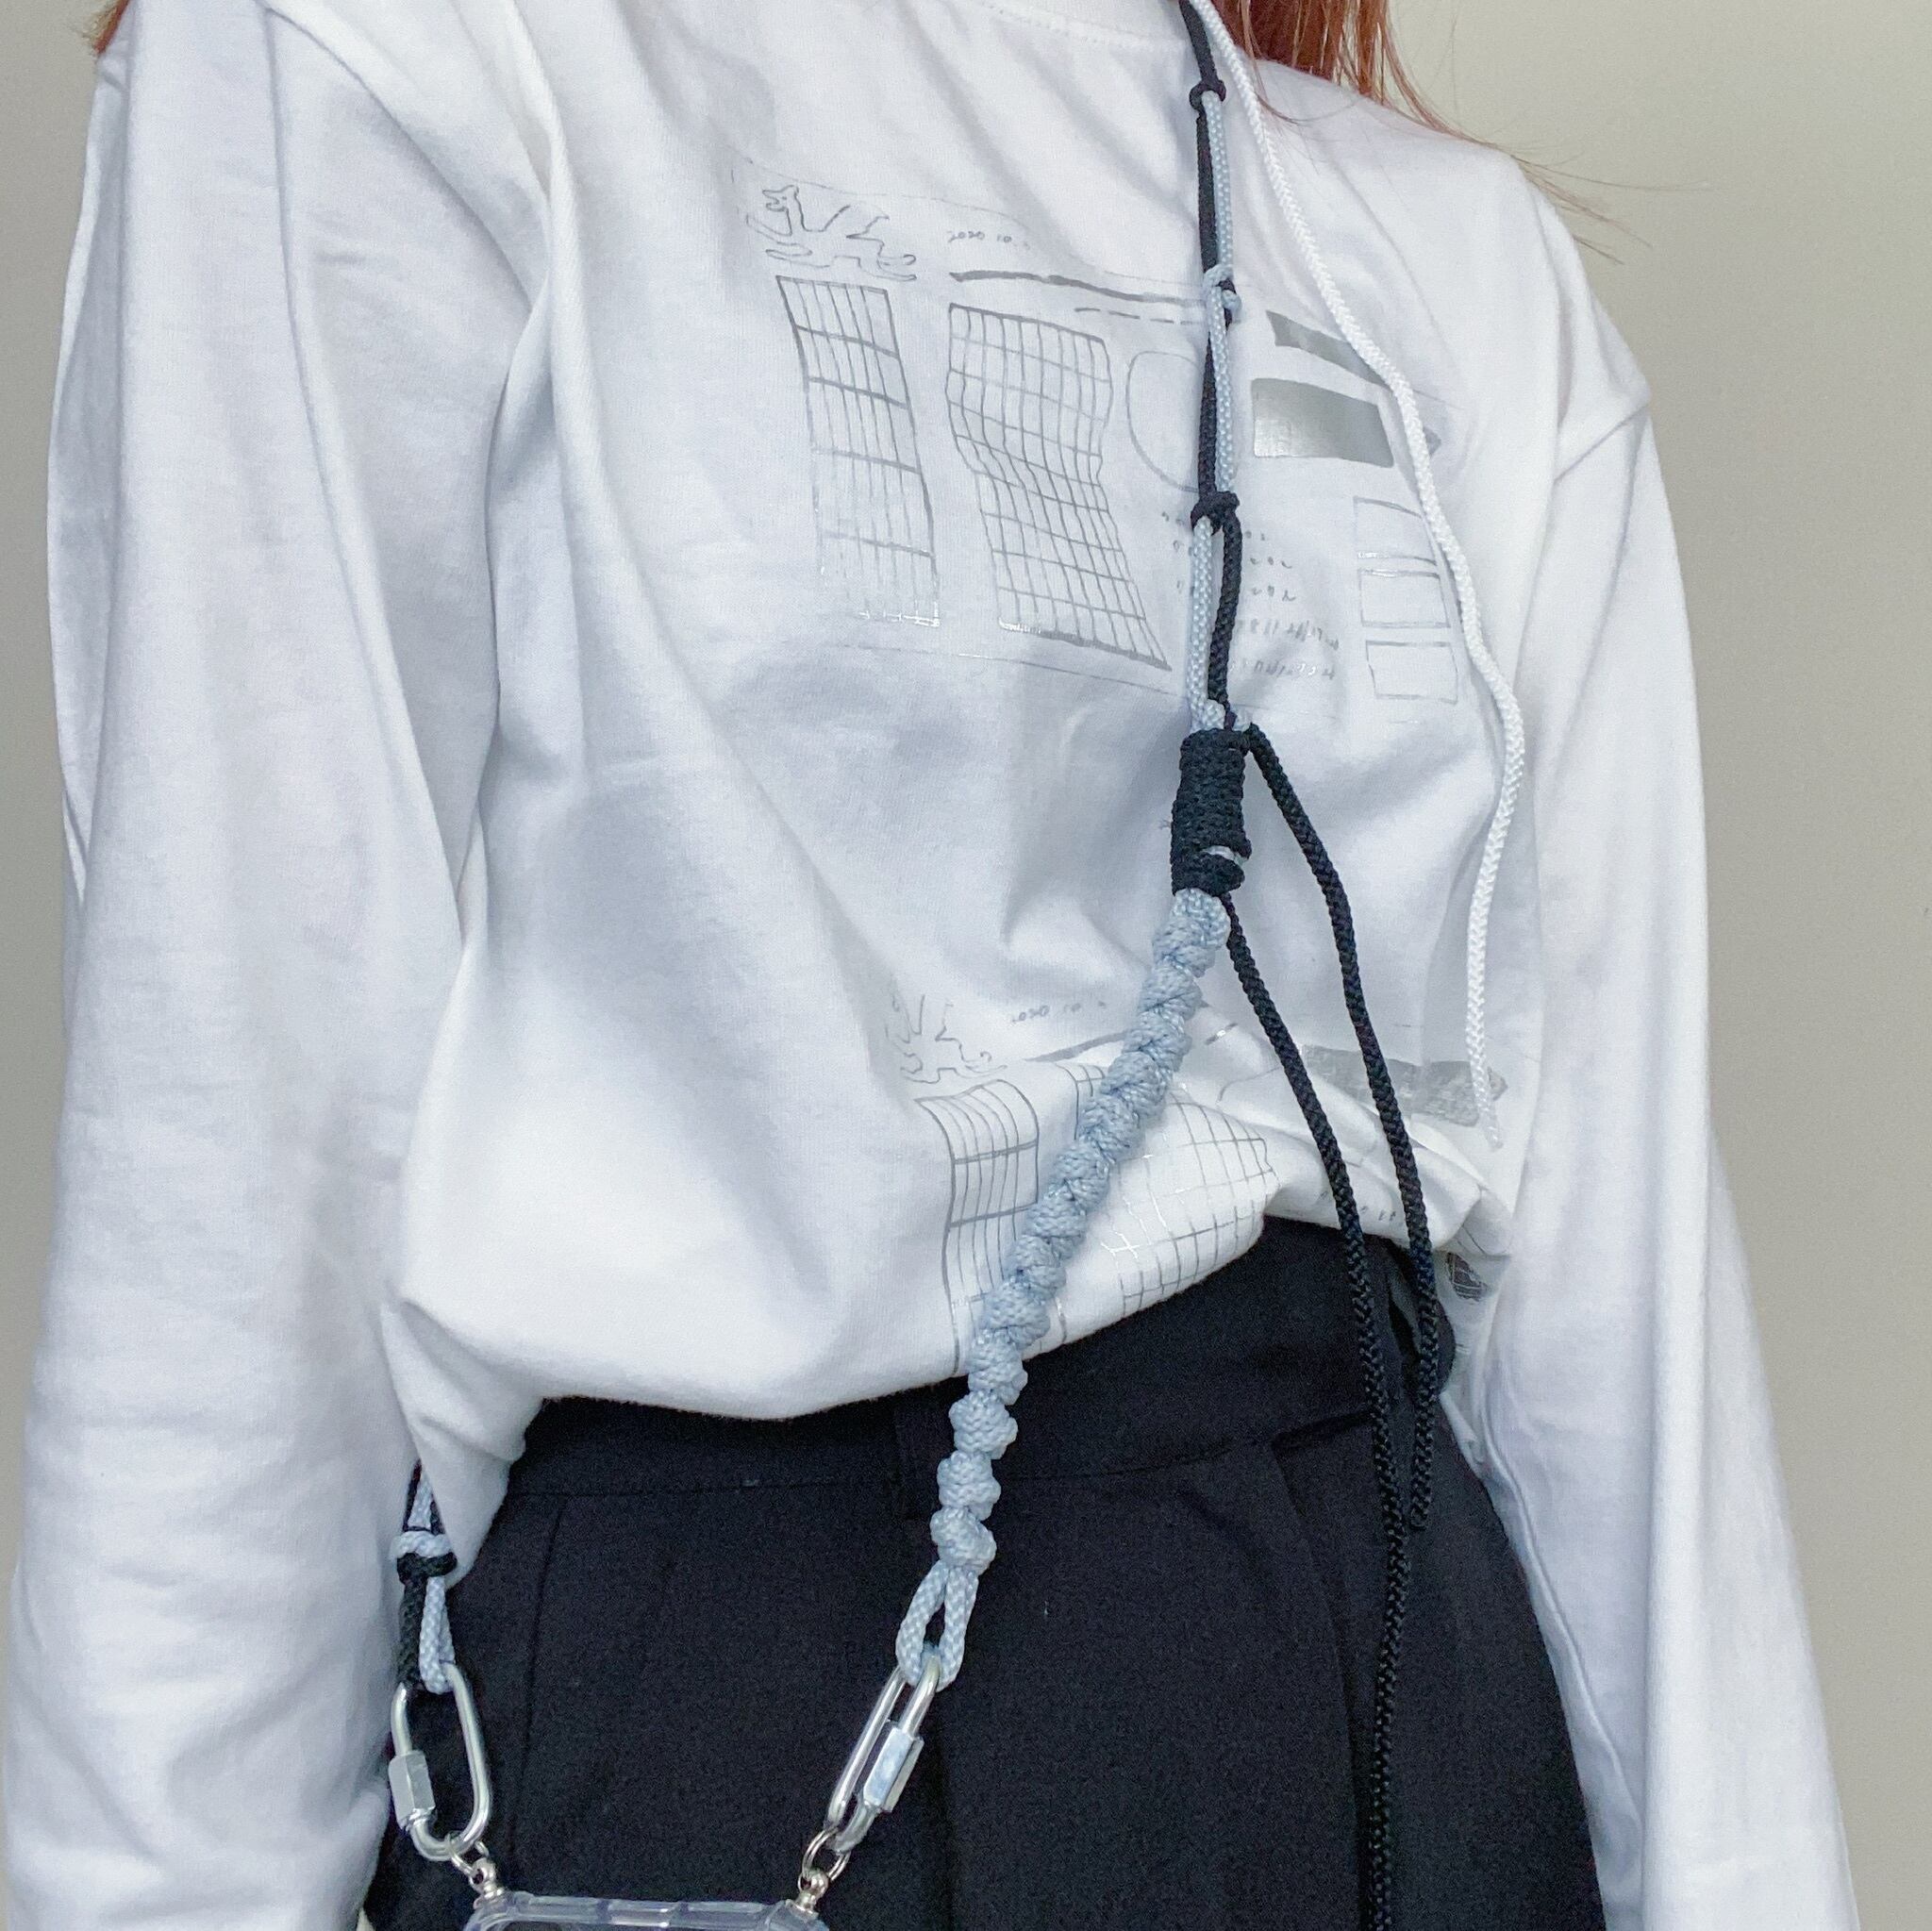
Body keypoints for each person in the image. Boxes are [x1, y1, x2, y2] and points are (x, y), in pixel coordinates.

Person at [8, 2, 1857, 1928]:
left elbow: (1613, 1293)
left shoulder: (1442, 255)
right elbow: (241, 1171)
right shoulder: (386, 51)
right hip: (724, 1715)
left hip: (1388, 1691)